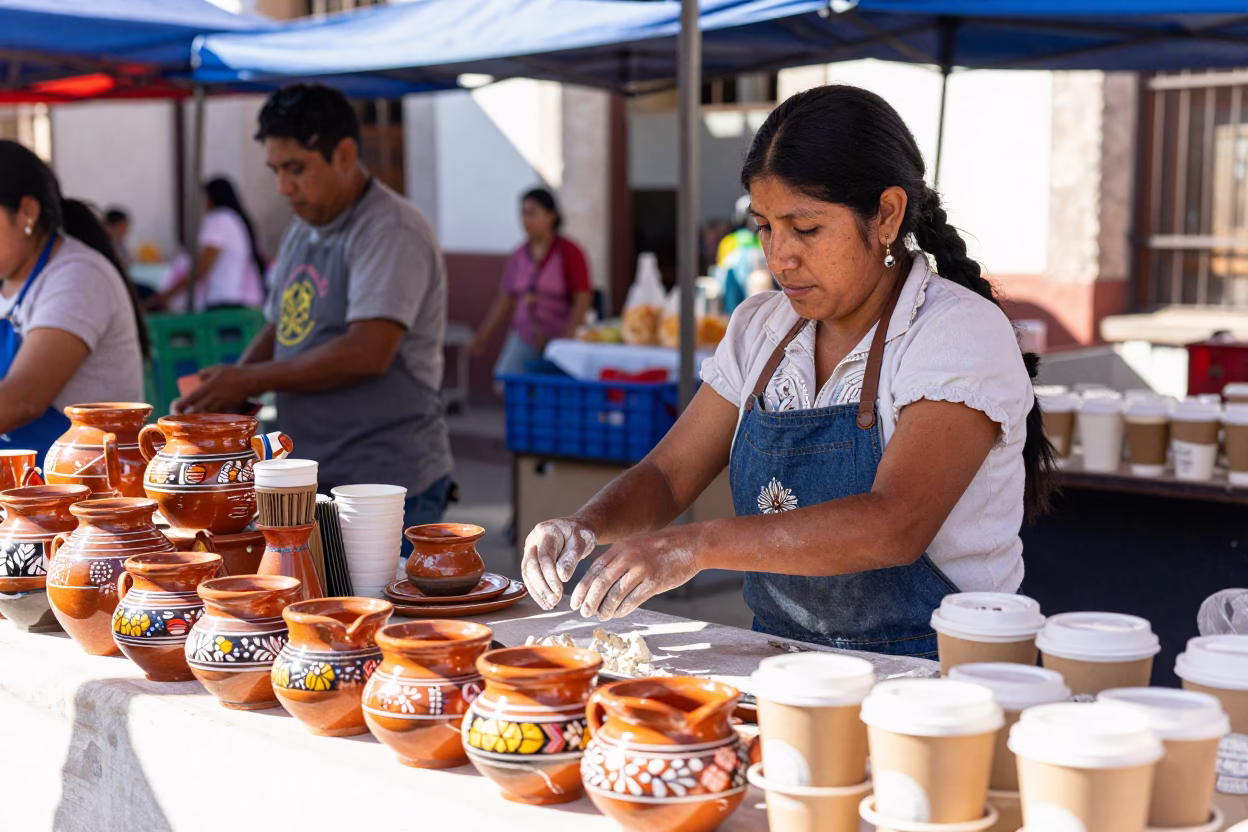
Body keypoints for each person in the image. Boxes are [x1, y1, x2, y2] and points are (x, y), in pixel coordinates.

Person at [521, 85, 1056, 658]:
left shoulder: (956, 332)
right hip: (786, 662)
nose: (779, 257)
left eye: (805, 229)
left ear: (886, 215)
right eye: (765, 227)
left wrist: (695, 545)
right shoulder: (761, 327)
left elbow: (894, 523)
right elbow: (669, 477)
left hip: (942, 672)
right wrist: (584, 524)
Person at [175, 83, 454, 534]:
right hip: (312, 475)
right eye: (276, 171)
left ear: (344, 154)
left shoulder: (391, 229)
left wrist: (247, 380)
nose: (284, 187)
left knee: (373, 604)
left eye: (296, 169)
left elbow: (368, 352)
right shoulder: (303, 228)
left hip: (386, 484)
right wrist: (227, 402)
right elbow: (280, 328)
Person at [0, 141, 149, 460]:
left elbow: (23, 400)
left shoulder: (78, 276)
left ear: (27, 212)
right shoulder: (10, 280)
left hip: (86, 490)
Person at [470, 187, 592, 377]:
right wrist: (483, 335)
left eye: (532, 214)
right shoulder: (517, 256)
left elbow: (582, 298)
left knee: (555, 389)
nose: (526, 221)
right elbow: (505, 299)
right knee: (505, 381)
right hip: (525, 335)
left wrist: (567, 339)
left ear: (551, 216)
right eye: (524, 214)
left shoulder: (569, 252)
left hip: (560, 336)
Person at [151, 177, 266, 311]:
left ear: (211, 198)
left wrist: (167, 295)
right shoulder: (238, 221)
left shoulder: (219, 220)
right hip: (247, 299)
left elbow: (202, 267)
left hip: (223, 300)